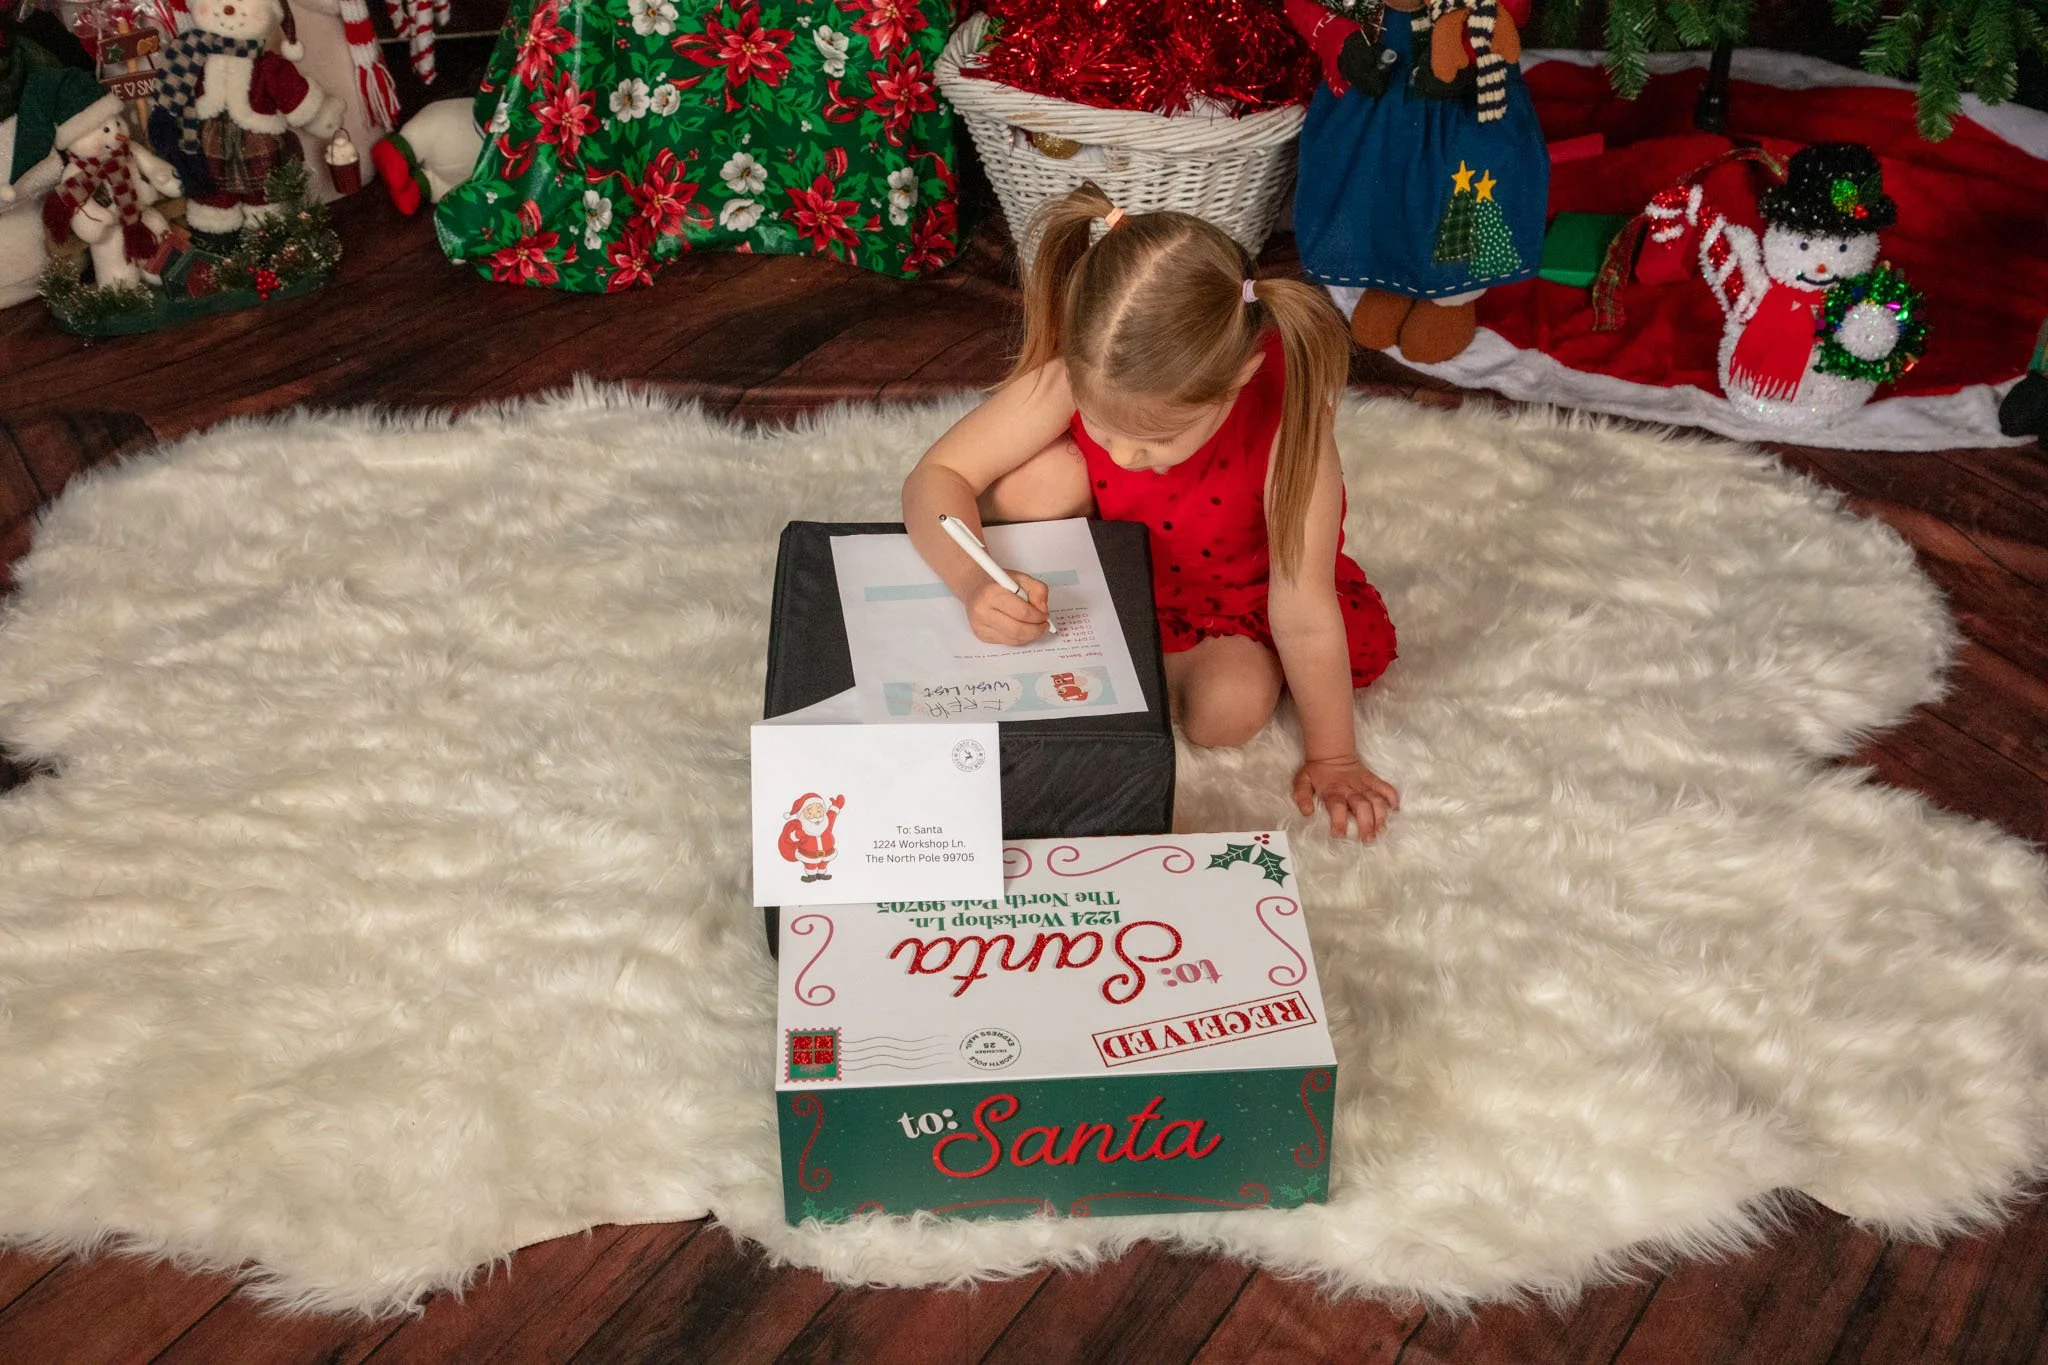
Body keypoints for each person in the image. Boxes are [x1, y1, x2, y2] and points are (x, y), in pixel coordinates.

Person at [901, 184, 1400, 842]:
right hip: (1124, 553)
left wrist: (1333, 755)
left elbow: (1303, 607)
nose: (1127, 457)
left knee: (1227, 711)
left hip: (1232, 595)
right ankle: (1077, 635)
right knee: (1035, 485)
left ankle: (1123, 664)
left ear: (1242, 376)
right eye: (1105, 429)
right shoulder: (1089, 364)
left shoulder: (1291, 426)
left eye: (1158, 439)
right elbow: (937, 476)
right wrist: (977, 580)